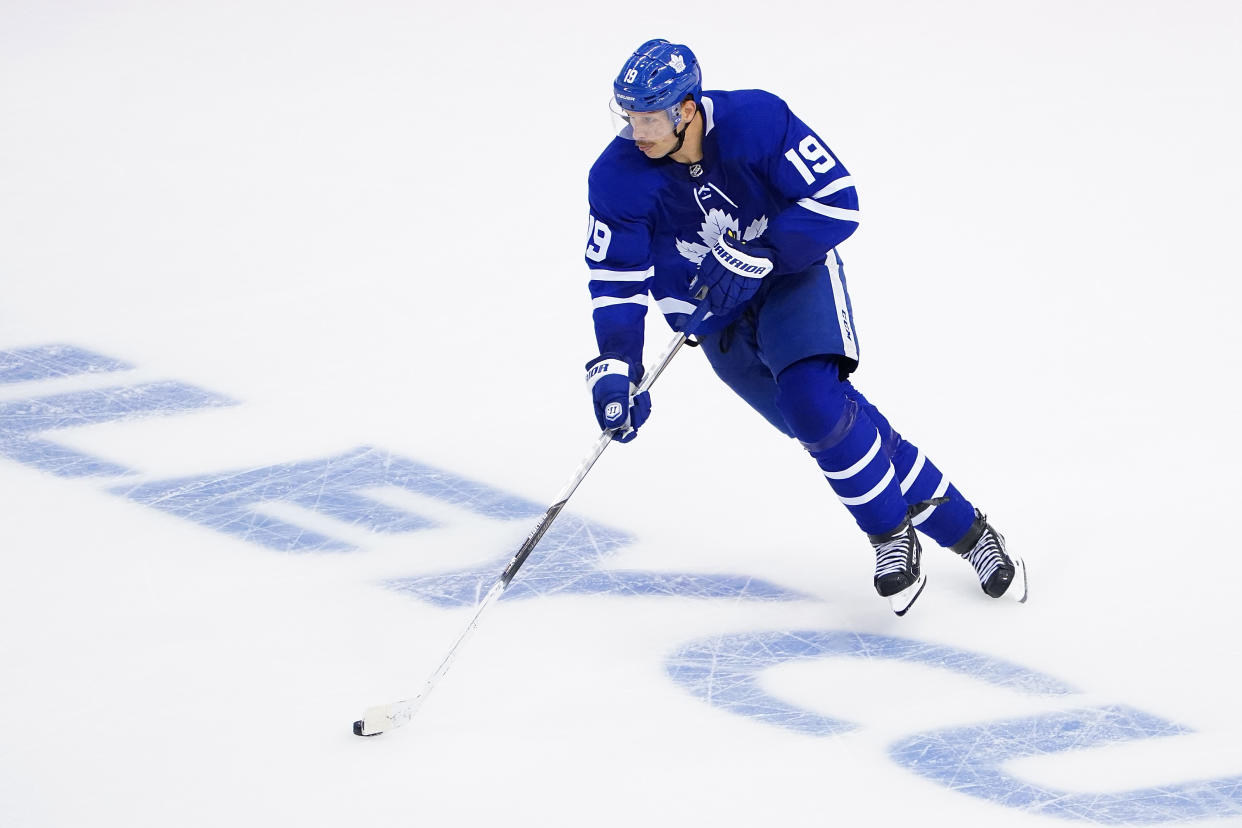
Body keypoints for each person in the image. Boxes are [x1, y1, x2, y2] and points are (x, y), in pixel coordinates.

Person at [582, 39, 1027, 615]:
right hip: (713, 318)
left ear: (686, 108)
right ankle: (971, 534)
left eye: (647, 117)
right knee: (833, 425)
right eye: (629, 116)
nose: (635, 131)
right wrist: (618, 367)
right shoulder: (615, 177)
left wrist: (762, 252)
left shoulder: (757, 121)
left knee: (815, 404)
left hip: (790, 279)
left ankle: (890, 535)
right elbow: (616, 278)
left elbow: (838, 201)